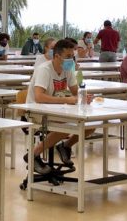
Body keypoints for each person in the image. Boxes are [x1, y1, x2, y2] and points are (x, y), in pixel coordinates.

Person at [25, 39, 91, 174]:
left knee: (91, 123)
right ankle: (33, 154)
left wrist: (84, 96)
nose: (71, 60)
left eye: (72, 56)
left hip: (56, 109)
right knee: (67, 126)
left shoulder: (68, 69)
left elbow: (75, 91)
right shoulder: (44, 70)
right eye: (68, 57)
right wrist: (67, 100)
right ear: (56, 56)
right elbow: (39, 97)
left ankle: (65, 146)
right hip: (36, 111)